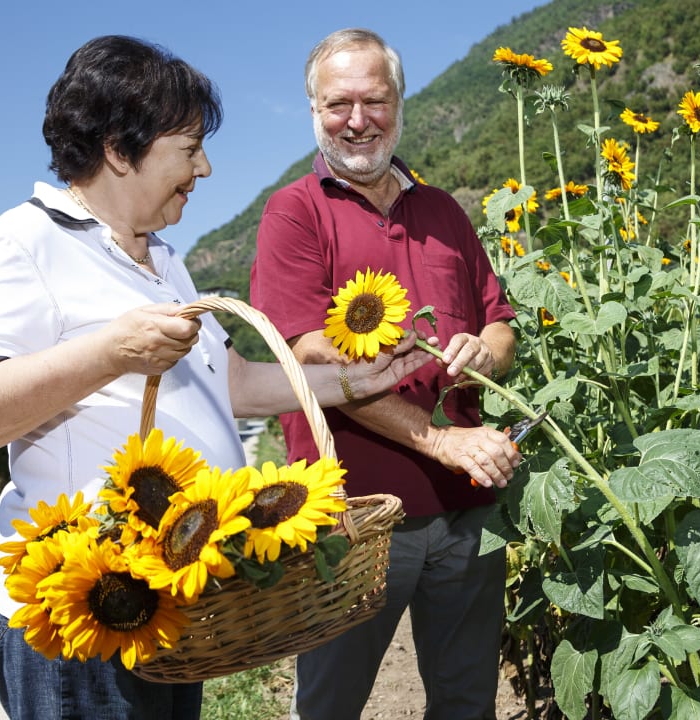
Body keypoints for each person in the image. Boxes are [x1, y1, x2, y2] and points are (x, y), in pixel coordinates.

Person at [0, 35, 434, 720]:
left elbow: (234, 386)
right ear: (117, 147)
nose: (206, 168)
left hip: (163, 600)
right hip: (76, 613)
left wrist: (361, 381)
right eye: (189, 148)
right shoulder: (25, 243)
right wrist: (110, 352)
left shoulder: (162, 258)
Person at [251, 27, 521, 720]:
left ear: (401, 103)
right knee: (331, 704)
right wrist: (439, 440)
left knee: (466, 702)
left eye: (375, 100)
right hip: (351, 518)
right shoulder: (295, 212)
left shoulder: (443, 211)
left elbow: (499, 322)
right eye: (339, 102)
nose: (358, 119)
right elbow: (309, 355)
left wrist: (485, 354)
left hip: (464, 509)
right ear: (313, 110)